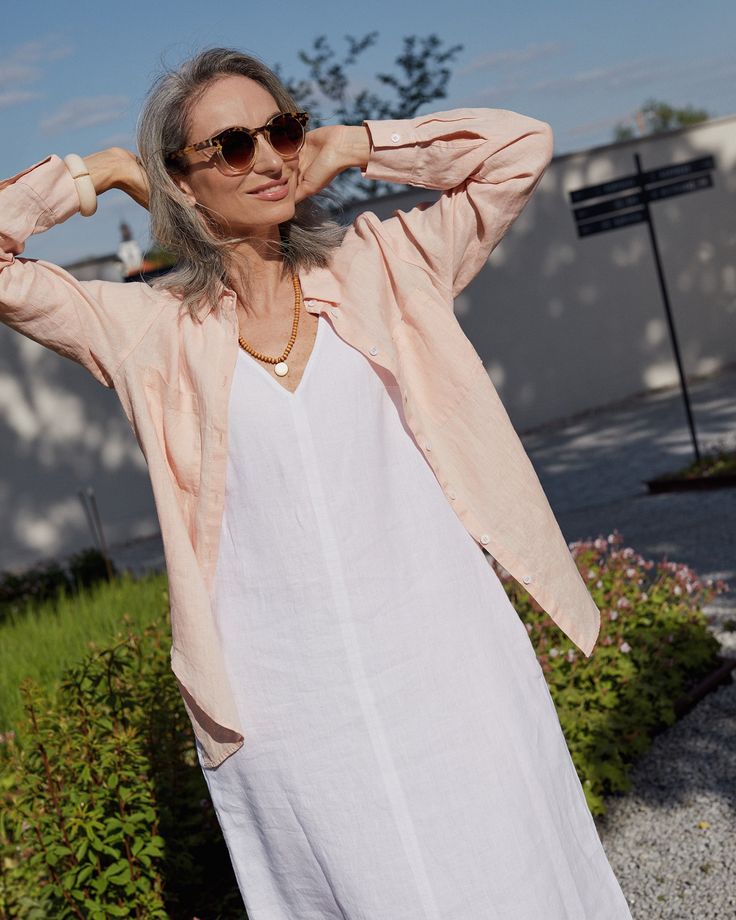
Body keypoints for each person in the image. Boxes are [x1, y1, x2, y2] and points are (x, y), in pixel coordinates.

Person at [0, 47, 634, 919]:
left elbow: (520, 147)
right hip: (289, 702)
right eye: (228, 146)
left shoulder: (388, 266)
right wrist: (95, 174)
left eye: (281, 131)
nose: (265, 158)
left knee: (510, 875)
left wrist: (360, 143)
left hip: (450, 666)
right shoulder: (147, 330)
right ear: (180, 180)